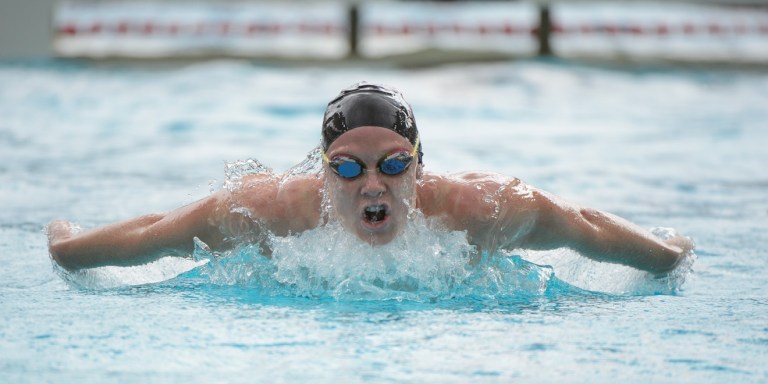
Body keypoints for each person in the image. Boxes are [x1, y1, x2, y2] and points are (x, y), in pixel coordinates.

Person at [47, 82, 694, 276]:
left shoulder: (480, 208)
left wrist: (666, 255)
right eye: (349, 168)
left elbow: (583, 224)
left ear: (420, 165)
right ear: (324, 172)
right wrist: (68, 247)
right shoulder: (274, 209)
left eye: (391, 164)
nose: (371, 186)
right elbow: (158, 232)